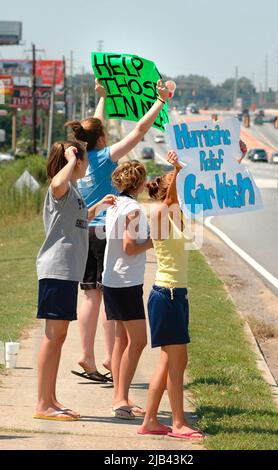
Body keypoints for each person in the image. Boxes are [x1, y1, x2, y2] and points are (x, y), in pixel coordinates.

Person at [139, 141, 247, 438]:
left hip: (175, 295)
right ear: (167, 191)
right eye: (175, 184)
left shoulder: (178, 215)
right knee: (176, 364)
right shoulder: (160, 215)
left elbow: (215, 189)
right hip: (167, 295)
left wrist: (236, 159)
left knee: (172, 360)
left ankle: (150, 421)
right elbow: (174, 196)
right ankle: (177, 423)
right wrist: (175, 168)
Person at [66, 78, 170, 383]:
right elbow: (138, 131)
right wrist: (160, 102)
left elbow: (95, 126)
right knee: (108, 296)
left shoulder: (82, 156)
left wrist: (104, 96)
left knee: (89, 296)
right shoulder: (103, 156)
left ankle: (88, 354)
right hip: (104, 233)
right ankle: (112, 359)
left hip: (84, 229)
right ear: (102, 139)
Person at [35, 141, 116, 421]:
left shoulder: (75, 191)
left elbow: (79, 219)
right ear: (75, 161)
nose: (86, 165)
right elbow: (56, 182)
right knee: (53, 337)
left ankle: (51, 398)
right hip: (57, 269)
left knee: (59, 338)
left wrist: (99, 206)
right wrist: (70, 159)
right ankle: (43, 404)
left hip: (68, 272)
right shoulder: (62, 187)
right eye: (82, 160)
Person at [102, 161, 152, 419]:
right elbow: (130, 247)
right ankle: (120, 399)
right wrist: (153, 241)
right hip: (125, 282)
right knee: (139, 341)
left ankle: (120, 396)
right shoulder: (132, 209)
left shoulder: (115, 205)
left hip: (112, 279)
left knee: (122, 339)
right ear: (140, 183)